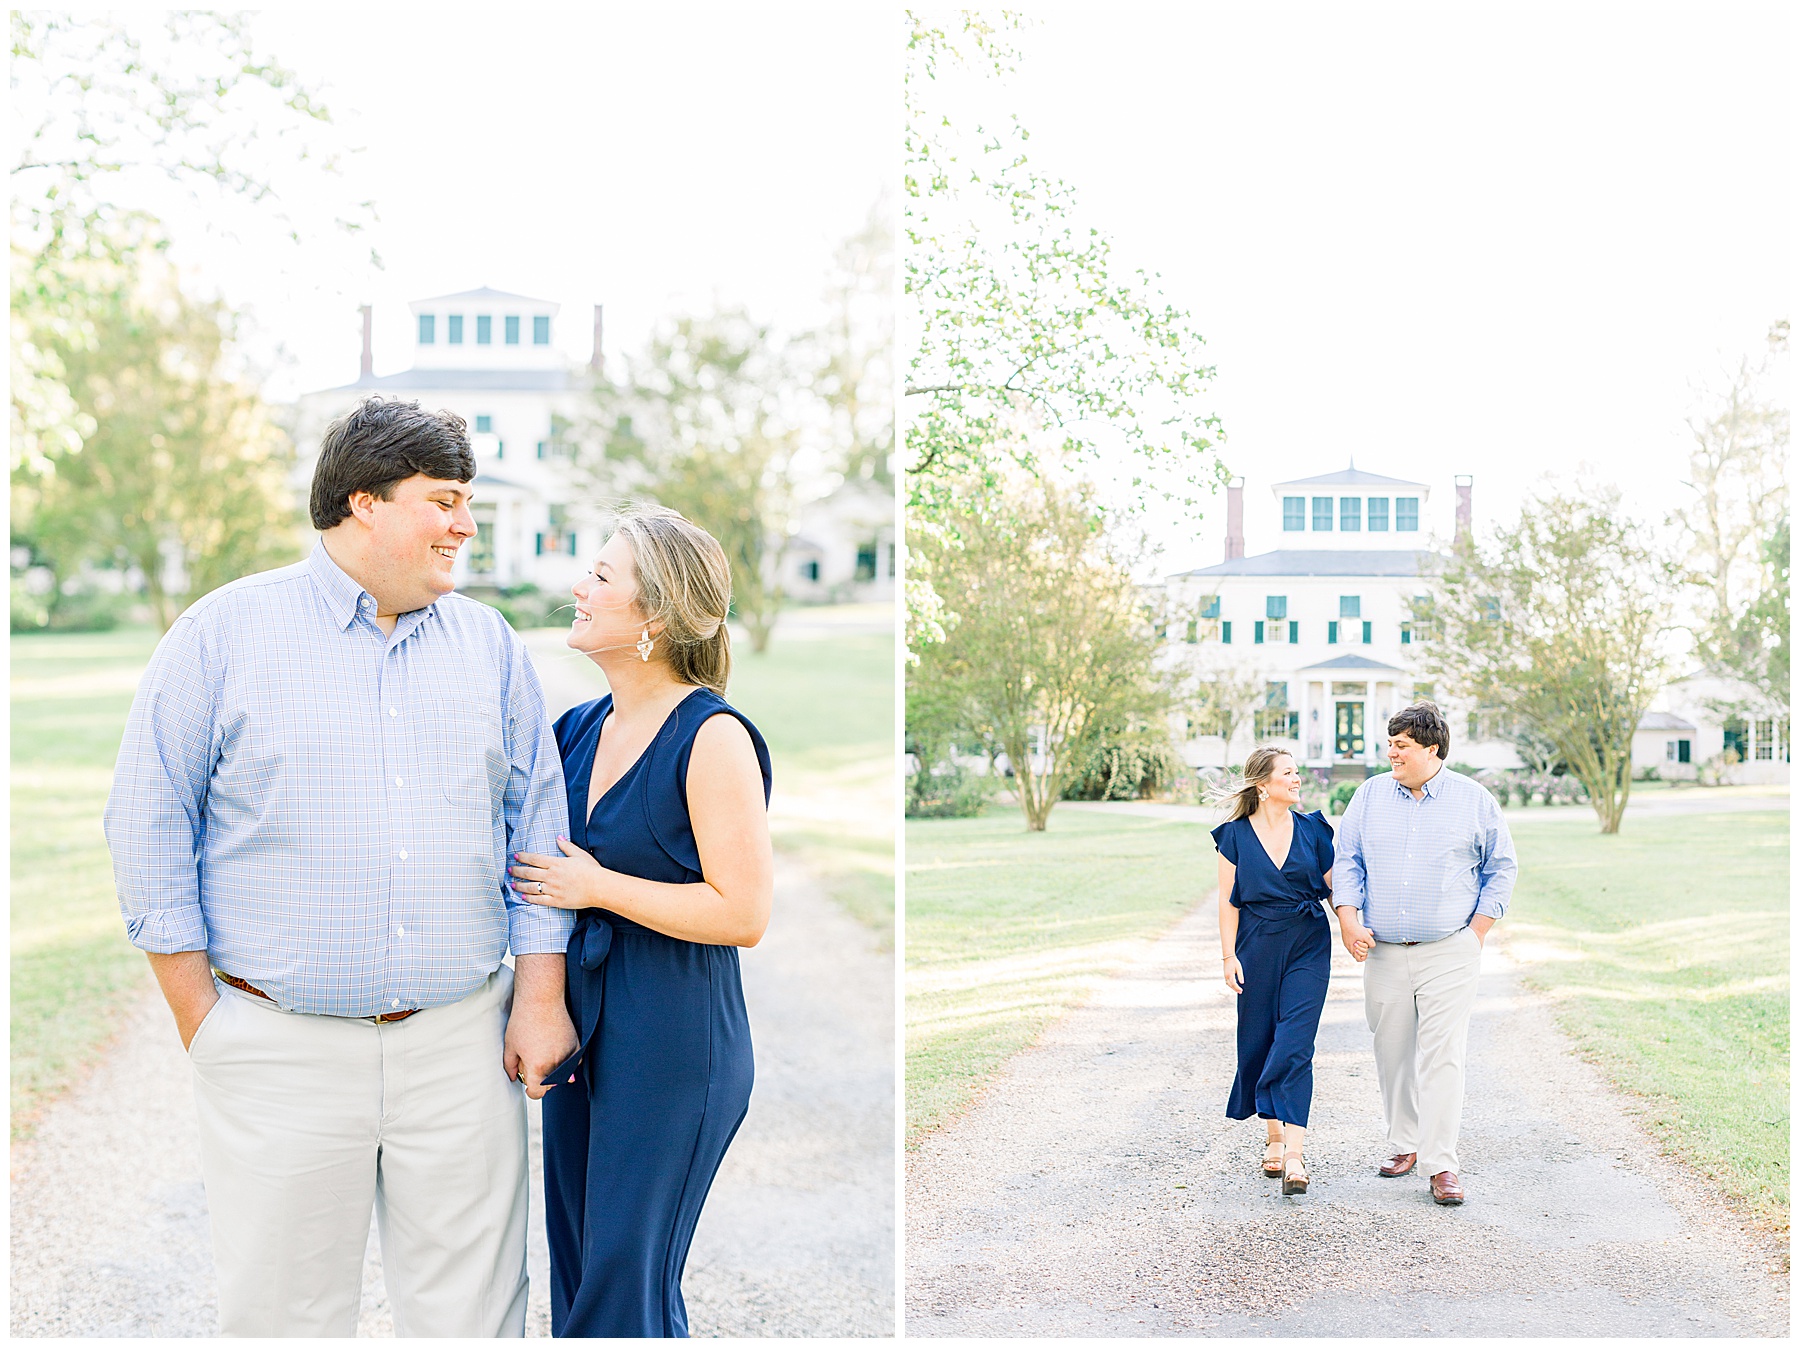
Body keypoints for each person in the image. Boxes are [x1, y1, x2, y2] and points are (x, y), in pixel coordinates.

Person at [103, 396, 579, 1336]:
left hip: (459, 1046)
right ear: (365, 503)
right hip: (277, 1048)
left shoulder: (488, 646)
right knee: (284, 1320)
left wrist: (538, 993)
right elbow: (148, 818)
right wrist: (206, 1023)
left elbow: (537, 825)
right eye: (444, 500)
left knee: (476, 1320)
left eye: (467, 501)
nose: (466, 523)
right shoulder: (223, 634)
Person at [506, 504, 773, 1338]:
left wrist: (598, 884)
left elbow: (744, 912)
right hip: (584, 1036)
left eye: (601, 575)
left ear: (654, 616)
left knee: (626, 1292)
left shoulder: (712, 735)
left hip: (674, 1046)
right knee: (581, 1277)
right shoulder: (578, 730)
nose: (577, 587)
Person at [1332, 700, 1517, 1206]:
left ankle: (1441, 1163)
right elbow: (1347, 862)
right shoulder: (1369, 796)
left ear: (1432, 748)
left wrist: (1476, 932)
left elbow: (1502, 867)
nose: (1391, 751)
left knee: (1443, 1056)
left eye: (1402, 744)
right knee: (1392, 1053)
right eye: (1390, 742)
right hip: (1386, 953)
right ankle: (1404, 1143)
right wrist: (1348, 918)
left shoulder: (1474, 799)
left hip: (1449, 951)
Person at [1212, 747, 1347, 1195]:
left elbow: (1335, 889)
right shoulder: (1233, 836)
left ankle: (1294, 1154)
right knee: (1260, 1039)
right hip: (1256, 947)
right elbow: (1228, 901)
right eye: (1287, 773)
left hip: (1308, 944)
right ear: (1262, 785)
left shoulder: (1314, 830)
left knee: (1294, 1041)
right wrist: (1228, 956)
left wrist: (1353, 927)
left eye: (1296, 772)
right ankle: (1272, 1137)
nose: (1297, 779)